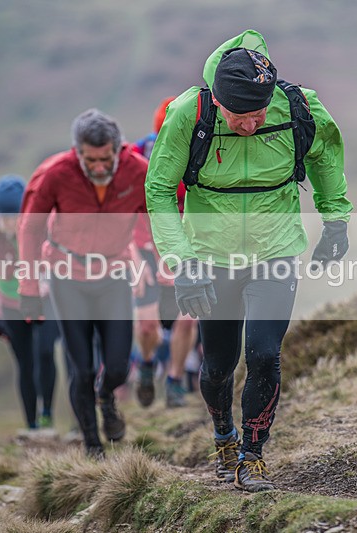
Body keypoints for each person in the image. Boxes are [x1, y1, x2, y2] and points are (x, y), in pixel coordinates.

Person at [145, 30, 352, 492]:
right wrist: (182, 262)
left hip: (275, 249)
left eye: (259, 114)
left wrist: (336, 220)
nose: (251, 126)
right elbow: (158, 190)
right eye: (240, 117)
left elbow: (326, 154)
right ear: (217, 102)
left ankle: (252, 455)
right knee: (218, 365)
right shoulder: (187, 114)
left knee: (264, 354)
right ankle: (223, 434)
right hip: (211, 256)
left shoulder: (298, 106)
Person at [17, 109, 148, 458]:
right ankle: (92, 444)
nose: (100, 167)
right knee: (81, 368)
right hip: (66, 278)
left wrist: (166, 264)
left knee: (118, 365)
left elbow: (155, 219)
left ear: (117, 150)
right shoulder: (57, 173)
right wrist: (29, 288)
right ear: (78, 152)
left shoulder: (138, 172)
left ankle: (106, 398)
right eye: (91, 160)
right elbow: (30, 228)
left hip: (113, 275)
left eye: (106, 159)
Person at [0, 175, 61, 431]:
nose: (10, 223)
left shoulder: (42, 223)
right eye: (5, 218)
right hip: (11, 305)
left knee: (45, 352)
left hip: (45, 300)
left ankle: (47, 413)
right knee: (25, 362)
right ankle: (31, 423)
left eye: (16, 216)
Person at [131, 96, 199, 409]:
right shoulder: (136, 157)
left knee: (188, 321)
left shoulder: (201, 154)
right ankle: (145, 364)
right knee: (148, 327)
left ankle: (173, 383)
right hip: (144, 247)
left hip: (185, 248)